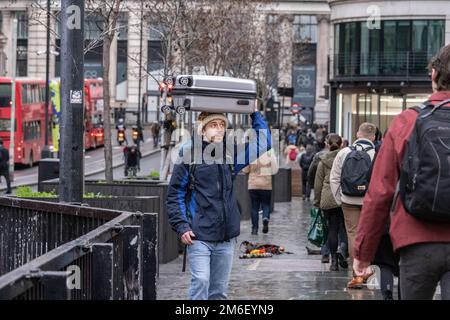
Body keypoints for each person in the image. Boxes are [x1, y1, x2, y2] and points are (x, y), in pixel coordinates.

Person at [353, 44, 450, 300]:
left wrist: (363, 253)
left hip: (416, 241)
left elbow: (379, 193)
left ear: (433, 74)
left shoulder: (407, 121)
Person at [166, 107, 272, 300]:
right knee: (201, 281)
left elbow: (263, 143)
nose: (219, 129)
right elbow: (175, 194)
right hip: (199, 235)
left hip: (226, 236)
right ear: (203, 130)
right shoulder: (190, 155)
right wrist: (182, 226)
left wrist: (254, 113)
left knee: (218, 293)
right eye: (213, 125)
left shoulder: (230, 155)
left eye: (222, 124)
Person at [330, 122, 377, 288]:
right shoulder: (376, 154)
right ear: (373, 137)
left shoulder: (344, 152)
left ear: (358, 134)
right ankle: (367, 269)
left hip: (348, 200)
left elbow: (334, 178)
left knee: (353, 234)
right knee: (370, 234)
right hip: (370, 201)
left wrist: (339, 199)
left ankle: (357, 273)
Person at [314, 134, 348, 271]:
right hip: (345, 196)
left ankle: (333, 261)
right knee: (345, 228)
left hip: (328, 198)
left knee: (332, 229)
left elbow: (318, 184)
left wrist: (317, 201)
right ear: (341, 145)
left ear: (327, 144)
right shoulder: (346, 157)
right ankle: (343, 251)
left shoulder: (323, 161)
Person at [242, 150, 278, 235]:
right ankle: (265, 218)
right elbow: (275, 169)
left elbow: (245, 169)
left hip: (253, 184)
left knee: (254, 207)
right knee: (266, 204)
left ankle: (254, 229)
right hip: (266, 184)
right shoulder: (270, 153)